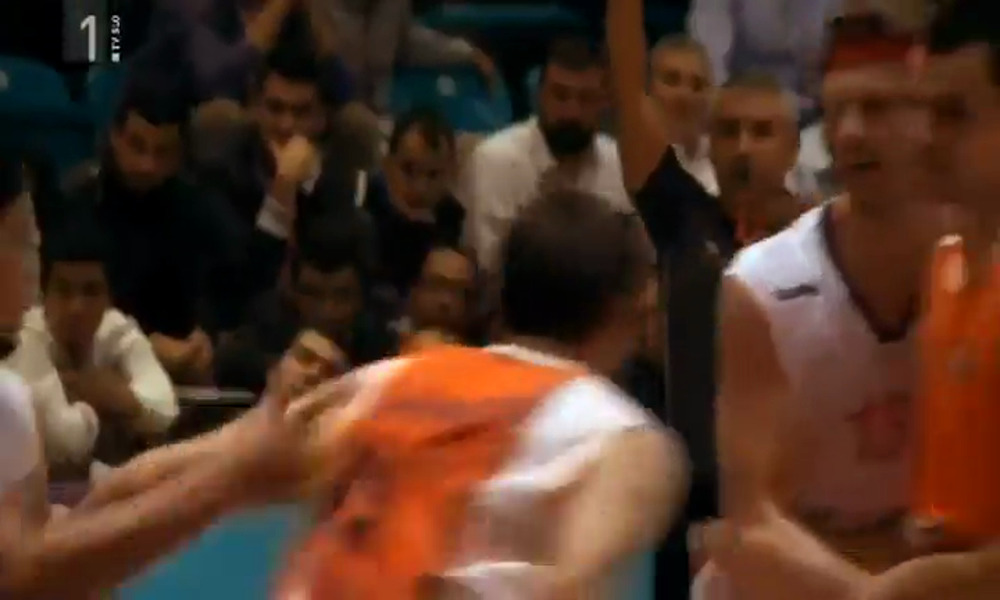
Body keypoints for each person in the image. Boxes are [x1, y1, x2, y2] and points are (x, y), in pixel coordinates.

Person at [696, 6, 947, 600]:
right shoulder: (762, 287)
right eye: (836, 112)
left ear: (935, 118)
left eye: (877, 107)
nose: (851, 132)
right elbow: (749, 526)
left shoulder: (979, 271)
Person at [8, 218, 177, 473]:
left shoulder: (116, 331)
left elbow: (166, 407)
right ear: (44, 296)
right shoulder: (27, 334)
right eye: (64, 290)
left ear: (109, 299)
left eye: (91, 291)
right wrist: (97, 404)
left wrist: (115, 396)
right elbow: (64, 441)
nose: (76, 308)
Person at [462, 37, 630, 273]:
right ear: (539, 95)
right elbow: (490, 268)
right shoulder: (495, 160)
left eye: (586, 98)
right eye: (560, 95)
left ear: (603, 103)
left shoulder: (621, 163)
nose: (572, 112)